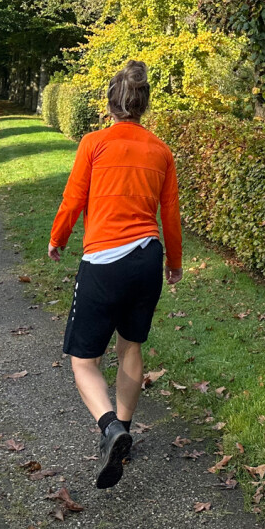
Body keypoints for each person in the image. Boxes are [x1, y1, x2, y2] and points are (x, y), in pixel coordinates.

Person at [47, 61, 182, 489]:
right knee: (130, 347)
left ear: (110, 104)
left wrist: (58, 238)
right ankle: (125, 429)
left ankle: (110, 429)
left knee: (83, 359)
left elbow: (74, 198)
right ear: (143, 106)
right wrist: (174, 262)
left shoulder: (94, 143)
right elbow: (171, 216)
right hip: (147, 261)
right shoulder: (160, 150)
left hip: (105, 261)